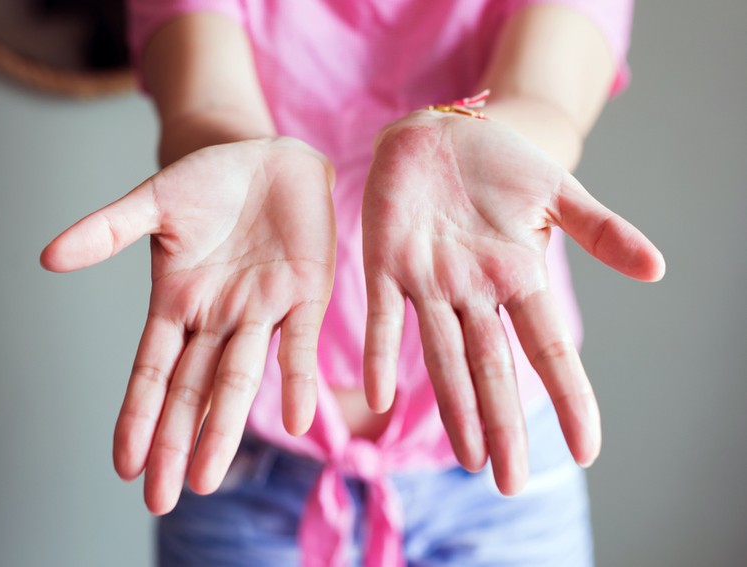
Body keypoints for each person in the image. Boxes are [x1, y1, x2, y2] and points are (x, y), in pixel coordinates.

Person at [41, 1, 665, 565]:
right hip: (249, 458)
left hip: (501, 458)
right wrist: (243, 160)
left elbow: (545, 94)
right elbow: (206, 100)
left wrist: (472, 138)